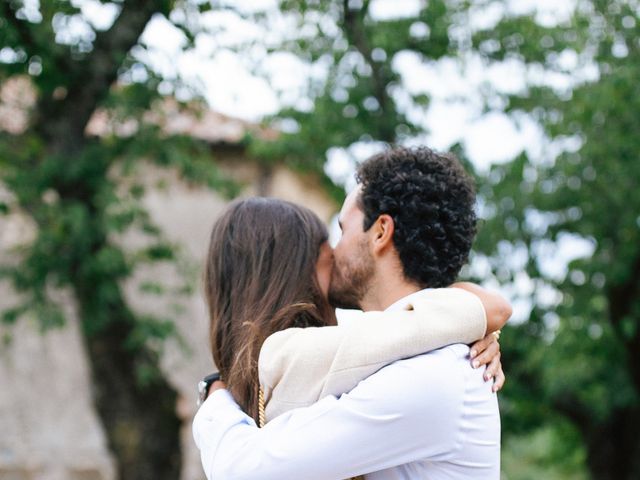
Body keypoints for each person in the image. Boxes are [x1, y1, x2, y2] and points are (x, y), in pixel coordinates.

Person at [194, 146, 507, 479]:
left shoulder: (433, 375)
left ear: (381, 233)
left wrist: (214, 394)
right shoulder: (390, 356)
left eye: (342, 230)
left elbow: (243, 471)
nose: (329, 251)